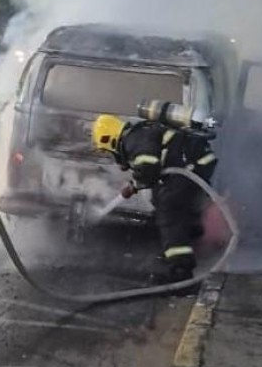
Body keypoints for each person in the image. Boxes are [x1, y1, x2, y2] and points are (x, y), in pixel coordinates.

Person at [92, 113, 217, 284]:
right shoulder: (139, 133)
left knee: (169, 210)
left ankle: (181, 272)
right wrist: (135, 184)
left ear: (110, 139)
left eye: (107, 151)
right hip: (194, 163)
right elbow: (152, 167)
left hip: (191, 167)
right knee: (163, 200)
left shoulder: (133, 139)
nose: (112, 155)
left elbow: (148, 168)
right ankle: (177, 249)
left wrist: (135, 183)